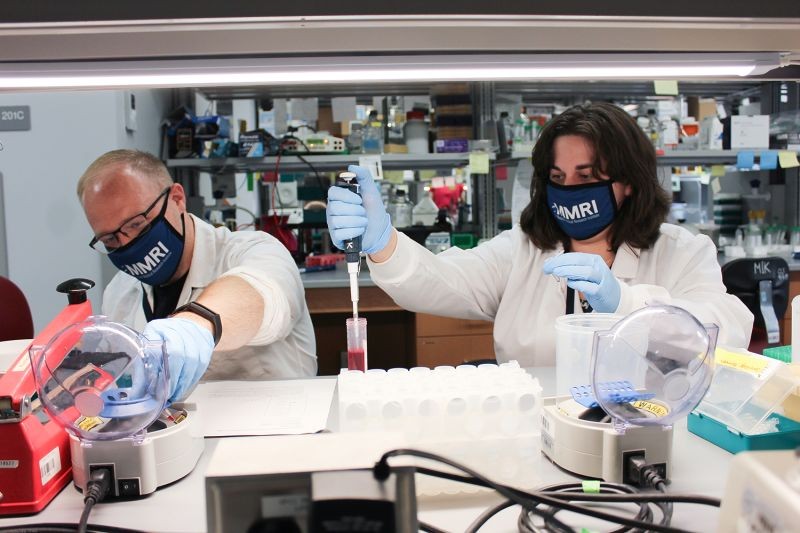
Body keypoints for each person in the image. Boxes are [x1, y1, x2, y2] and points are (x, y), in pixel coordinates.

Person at [326, 103, 753, 366]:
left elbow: (725, 332)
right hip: (536, 437)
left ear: (629, 182)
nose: (570, 189)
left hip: (647, 434)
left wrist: (628, 305)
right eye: (557, 176)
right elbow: (439, 281)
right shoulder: (523, 252)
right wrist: (384, 245)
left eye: (587, 176)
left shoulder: (681, 252)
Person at [78, 149, 316, 401]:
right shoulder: (119, 292)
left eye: (137, 224)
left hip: (276, 433)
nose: (127, 244)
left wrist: (194, 327)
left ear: (177, 199)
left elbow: (261, 290)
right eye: (110, 239)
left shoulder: (254, 249)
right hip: (172, 437)